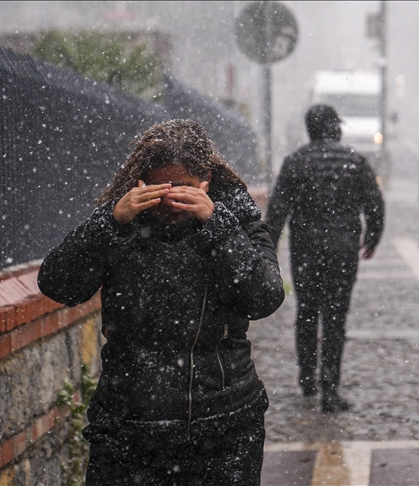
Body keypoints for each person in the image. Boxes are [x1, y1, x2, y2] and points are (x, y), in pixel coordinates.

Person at [37, 119, 284, 485]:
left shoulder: (234, 217)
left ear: (206, 182)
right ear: (142, 181)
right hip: (128, 430)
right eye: (158, 186)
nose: (168, 199)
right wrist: (112, 221)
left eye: (181, 187)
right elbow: (59, 284)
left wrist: (214, 225)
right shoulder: (123, 220)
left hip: (224, 426)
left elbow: (264, 297)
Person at [265, 104, 385, 413]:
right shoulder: (355, 161)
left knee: (307, 311)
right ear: (336, 127)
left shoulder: (295, 162)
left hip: (306, 247)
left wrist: (269, 248)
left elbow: (278, 210)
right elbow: (374, 205)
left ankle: (307, 378)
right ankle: (330, 389)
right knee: (335, 317)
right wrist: (371, 238)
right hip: (343, 248)